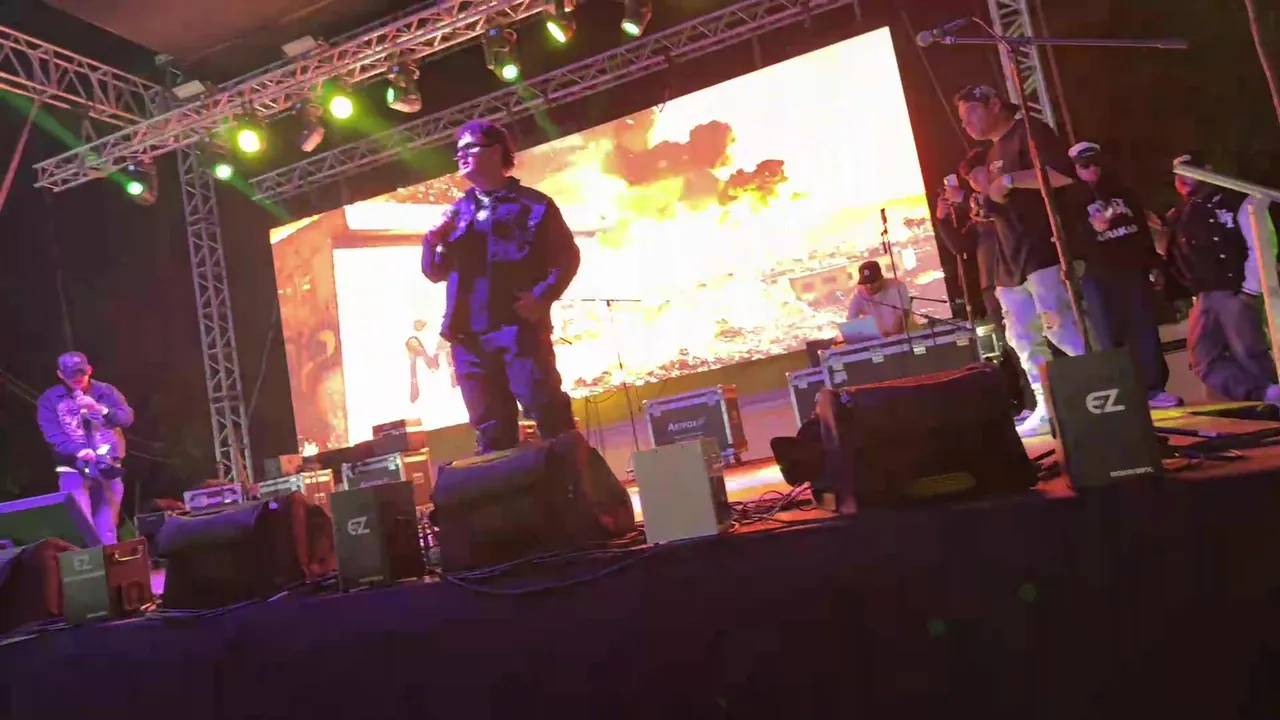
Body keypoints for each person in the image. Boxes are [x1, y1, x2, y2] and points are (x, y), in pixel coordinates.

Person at [422, 120, 581, 453]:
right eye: (457, 151)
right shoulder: (457, 213)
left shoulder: (533, 205)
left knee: (547, 410)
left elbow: (567, 257)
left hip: (517, 329)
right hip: (468, 337)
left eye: (469, 148)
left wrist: (542, 297)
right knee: (491, 429)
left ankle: (577, 479)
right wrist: (432, 242)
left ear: (496, 151)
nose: (460, 155)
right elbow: (434, 272)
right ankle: (510, 485)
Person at [954, 84, 1089, 437]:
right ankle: (1048, 406)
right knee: (1021, 336)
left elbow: (1061, 174)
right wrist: (985, 203)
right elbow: (1000, 200)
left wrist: (1012, 180)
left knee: (1060, 326)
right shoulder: (992, 151)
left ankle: (1103, 388)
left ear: (994, 104)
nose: (967, 124)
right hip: (1008, 259)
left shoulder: (1029, 131)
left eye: (971, 113)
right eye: (962, 119)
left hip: (1041, 249)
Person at [1068, 141, 1182, 408]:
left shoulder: (1123, 192)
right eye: (1085, 165)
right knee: (1108, 335)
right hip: (1098, 275)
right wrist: (1091, 229)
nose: (1092, 169)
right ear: (1074, 169)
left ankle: (1153, 389)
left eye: (1096, 163)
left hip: (1131, 270)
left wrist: (1153, 263)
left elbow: (1141, 229)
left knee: (1144, 329)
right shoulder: (1069, 201)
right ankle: (1122, 393)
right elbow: (1068, 242)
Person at [1163, 152, 1280, 404]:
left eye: (1190, 172)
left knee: (1248, 352)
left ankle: (1269, 399)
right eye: (1178, 175)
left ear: (1207, 171)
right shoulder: (1182, 214)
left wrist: (1250, 290)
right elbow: (1175, 254)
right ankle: (1263, 395)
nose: (1183, 179)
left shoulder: (1239, 201)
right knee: (1203, 360)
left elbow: (1262, 246)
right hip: (1205, 295)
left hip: (1236, 290)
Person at [35, 352, 134, 545]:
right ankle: (87, 562)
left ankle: (108, 563)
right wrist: (77, 450)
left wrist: (99, 409)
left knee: (107, 529)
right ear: (60, 374)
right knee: (82, 527)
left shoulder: (105, 391)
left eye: (81, 372)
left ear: (89, 370)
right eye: (70, 374)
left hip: (108, 467)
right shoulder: (50, 399)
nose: (77, 378)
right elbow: (52, 433)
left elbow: (126, 418)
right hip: (73, 469)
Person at [935, 149, 1003, 323]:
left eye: (974, 174)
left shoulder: (1005, 194)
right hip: (992, 285)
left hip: (1019, 277)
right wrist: (942, 219)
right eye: (968, 178)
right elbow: (960, 246)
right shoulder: (976, 214)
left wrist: (963, 197)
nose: (972, 181)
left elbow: (996, 213)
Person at [847, 260, 911, 338]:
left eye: (873, 282)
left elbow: (905, 315)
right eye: (865, 283)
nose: (869, 286)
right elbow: (851, 320)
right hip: (876, 340)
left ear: (880, 279)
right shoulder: (859, 294)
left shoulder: (897, 287)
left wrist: (895, 335)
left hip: (902, 336)